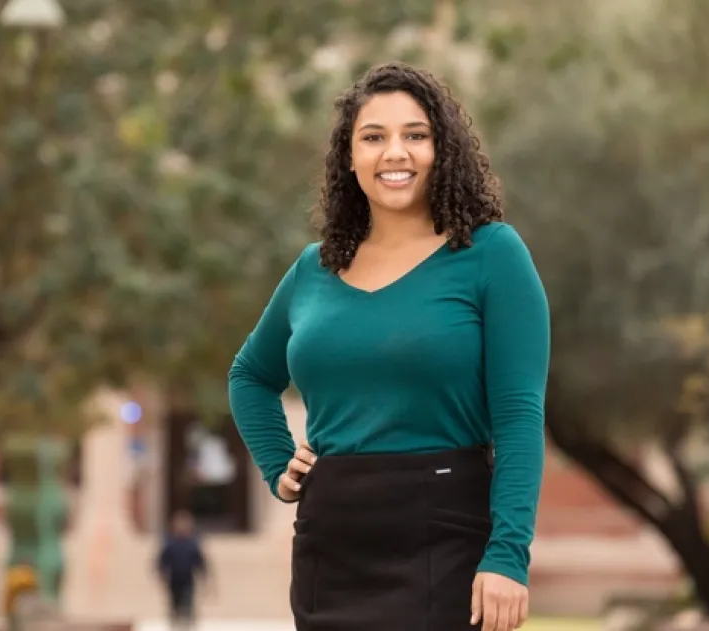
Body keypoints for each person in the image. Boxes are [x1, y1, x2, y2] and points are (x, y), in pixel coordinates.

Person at [227, 61, 550, 631]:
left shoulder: (491, 256)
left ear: (441, 150)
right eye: (373, 137)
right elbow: (249, 375)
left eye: (415, 136)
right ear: (349, 158)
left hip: (446, 533)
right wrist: (279, 463)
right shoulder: (314, 269)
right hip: (332, 541)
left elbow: (520, 415)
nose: (394, 153)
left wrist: (508, 554)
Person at [155, 510, 211, 631]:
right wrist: (161, 573)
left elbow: (200, 560)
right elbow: (163, 560)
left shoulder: (192, 543)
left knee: (188, 604)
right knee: (175, 604)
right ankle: (175, 624)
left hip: (188, 580)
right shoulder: (170, 543)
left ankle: (187, 625)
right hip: (174, 580)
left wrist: (204, 574)